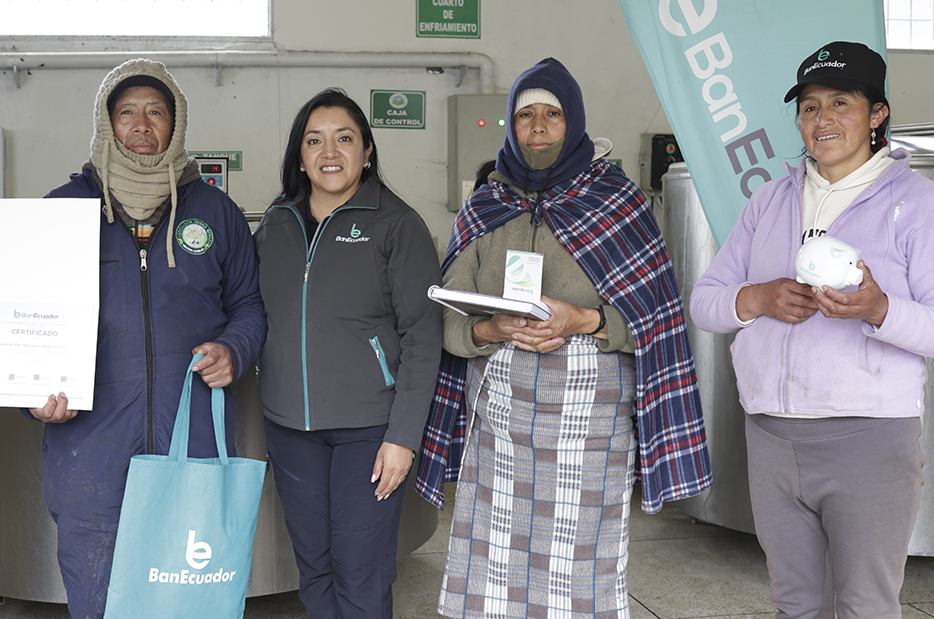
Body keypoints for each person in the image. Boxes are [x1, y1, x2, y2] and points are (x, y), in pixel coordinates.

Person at [414, 58, 711, 618]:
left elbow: (654, 317)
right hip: (500, 419)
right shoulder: (486, 205)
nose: (538, 126)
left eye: (552, 114)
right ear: (510, 124)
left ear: (573, 121)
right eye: (525, 115)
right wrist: (488, 328)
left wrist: (584, 321)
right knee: (496, 553)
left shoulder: (616, 201)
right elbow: (448, 319)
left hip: (589, 415)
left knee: (579, 558)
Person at [690, 41, 933, 619]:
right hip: (771, 436)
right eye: (809, 107)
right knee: (794, 603)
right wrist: (757, 297)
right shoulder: (769, 200)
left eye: (840, 103)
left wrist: (878, 309)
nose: (822, 120)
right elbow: (704, 303)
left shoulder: (917, 203)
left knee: (865, 605)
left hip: (869, 438)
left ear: (877, 114)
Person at [27, 59, 266, 619]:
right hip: (90, 446)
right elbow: (25, 317)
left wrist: (235, 349)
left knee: (187, 596)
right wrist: (32, 395)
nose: (141, 124)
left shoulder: (216, 212)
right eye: (127, 112)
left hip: (193, 434)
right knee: (97, 594)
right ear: (106, 123)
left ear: (175, 124)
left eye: (156, 112)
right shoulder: (62, 210)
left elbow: (249, 305)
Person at [253, 88, 442, 618]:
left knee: (361, 571)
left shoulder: (396, 225)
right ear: (299, 155)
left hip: (369, 431)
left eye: (344, 138)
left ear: (368, 150)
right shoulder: (276, 225)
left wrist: (403, 438)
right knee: (313, 570)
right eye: (314, 141)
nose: (329, 152)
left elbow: (423, 336)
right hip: (290, 430)